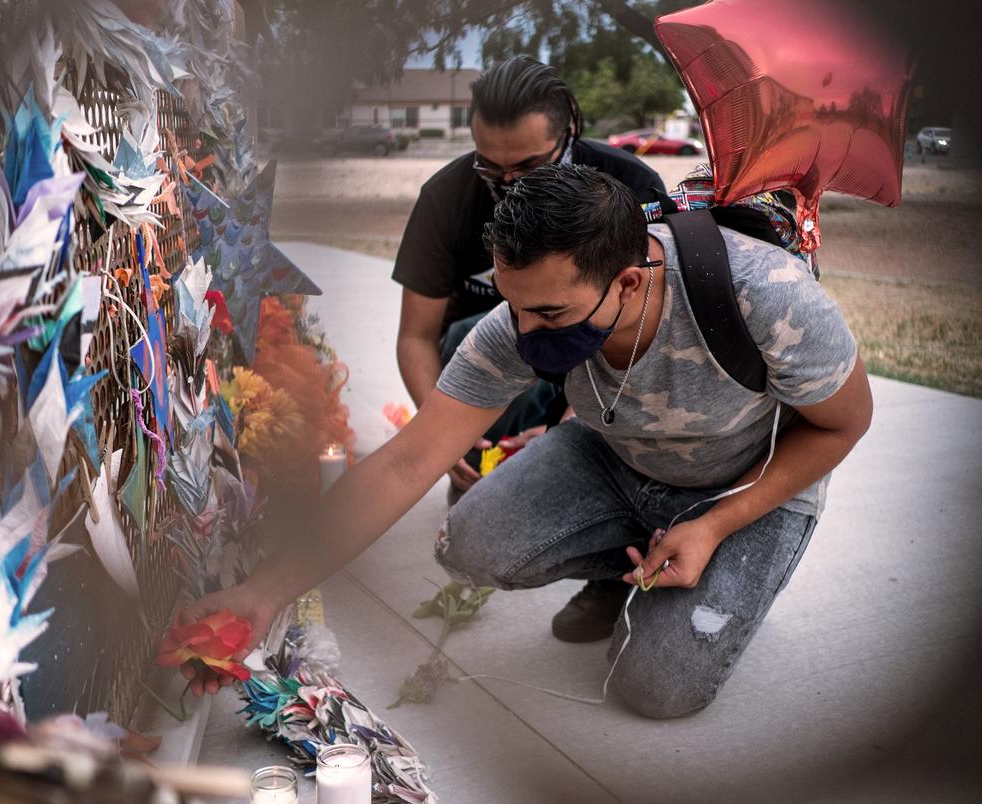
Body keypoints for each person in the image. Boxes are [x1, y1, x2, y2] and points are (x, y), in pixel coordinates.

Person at [176, 164, 871, 719]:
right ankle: (628, 555)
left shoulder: (767, 295)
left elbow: (844, 423)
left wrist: (716, 523)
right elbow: (409, 460)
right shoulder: (525, 318)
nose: (526, 333)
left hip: (745, 483)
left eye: (550, 312)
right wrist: (265, 589)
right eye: (514, 305)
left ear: (629, 281)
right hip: (616, 458)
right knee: (468, 541)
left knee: (657, 692)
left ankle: (723, 562)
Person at [392, 56, 665, 500]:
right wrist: (440, 437)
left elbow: (647, 325)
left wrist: (572, 431)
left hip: (594, 364)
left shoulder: (630, 183)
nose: (507, 184)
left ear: (567, 135)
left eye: (528, 167)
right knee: (481, 335)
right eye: (489, 168)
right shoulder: (445, 198)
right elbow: (416, 336)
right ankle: (484, 478)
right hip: (479, 374)